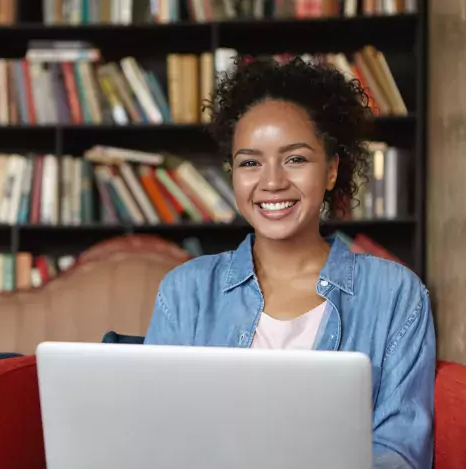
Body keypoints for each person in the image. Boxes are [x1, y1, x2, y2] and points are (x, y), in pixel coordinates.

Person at [144, 56, 435, 469]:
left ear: (332, 170)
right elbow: (154, 436)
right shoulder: (185, 290)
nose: (272, 181)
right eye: (250, 162)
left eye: (295, 159)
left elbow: (401, 452)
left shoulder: (396, 294)